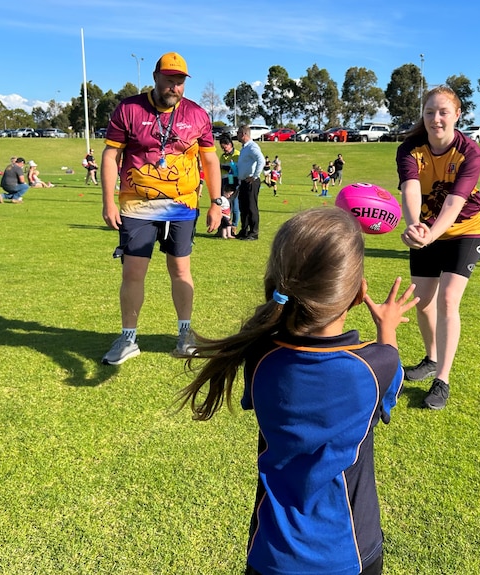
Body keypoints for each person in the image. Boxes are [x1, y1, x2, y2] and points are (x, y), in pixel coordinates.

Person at [175, 207, 417, 575]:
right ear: (358, 293)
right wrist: (388, 329)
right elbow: (389, 383)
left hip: (270, 553)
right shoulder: (374, 367)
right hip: (349, 555)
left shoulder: (259, 356)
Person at [100, 51, 222, 365]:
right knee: (132, 273)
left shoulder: (197, 114)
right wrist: (108, 201)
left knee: (181, 271)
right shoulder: (129, 109)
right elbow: (111, 155)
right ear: (155, 77)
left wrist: (216, 203)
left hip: (182, 206)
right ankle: (128, 339)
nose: (174, 87)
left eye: (180, 81)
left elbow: (209, 160)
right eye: (169, 79)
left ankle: (184, 335)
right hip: (137, 206)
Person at [397, 85, 480, 410]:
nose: (436, 118)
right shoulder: (410, 149)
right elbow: (410, 190)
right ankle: (431, 359)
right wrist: (412, 226)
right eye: (430, 112)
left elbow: (454, 202)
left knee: (448, 301)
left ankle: (442, 379)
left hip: (465, 230)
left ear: (457, 114)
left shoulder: (470, 152)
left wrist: (429, 235)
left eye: (443, 112)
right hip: (426, 229)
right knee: (423, 302)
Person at [235, 124, 264, 241]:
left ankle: (253, 232)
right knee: (244, 207)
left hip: (251, 181)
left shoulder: (252, 147)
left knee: (251, 207)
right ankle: (244, 230)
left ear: (243, 134)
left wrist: (255, 176)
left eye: (238, 133)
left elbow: (261, 160)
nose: (236, 135)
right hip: (243, 181)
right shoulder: (244, 148)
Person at [219, 134, 241, 231]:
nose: (224, 150)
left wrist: (227, 168)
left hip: (234, 182)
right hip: (224, 182)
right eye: (222, 148)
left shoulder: (237, 154)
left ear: (230, 144)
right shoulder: (222, 156)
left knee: (235, 204)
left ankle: (234, 226)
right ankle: (223, 226)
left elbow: (237, 169)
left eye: (225, 147)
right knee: (224, 205)